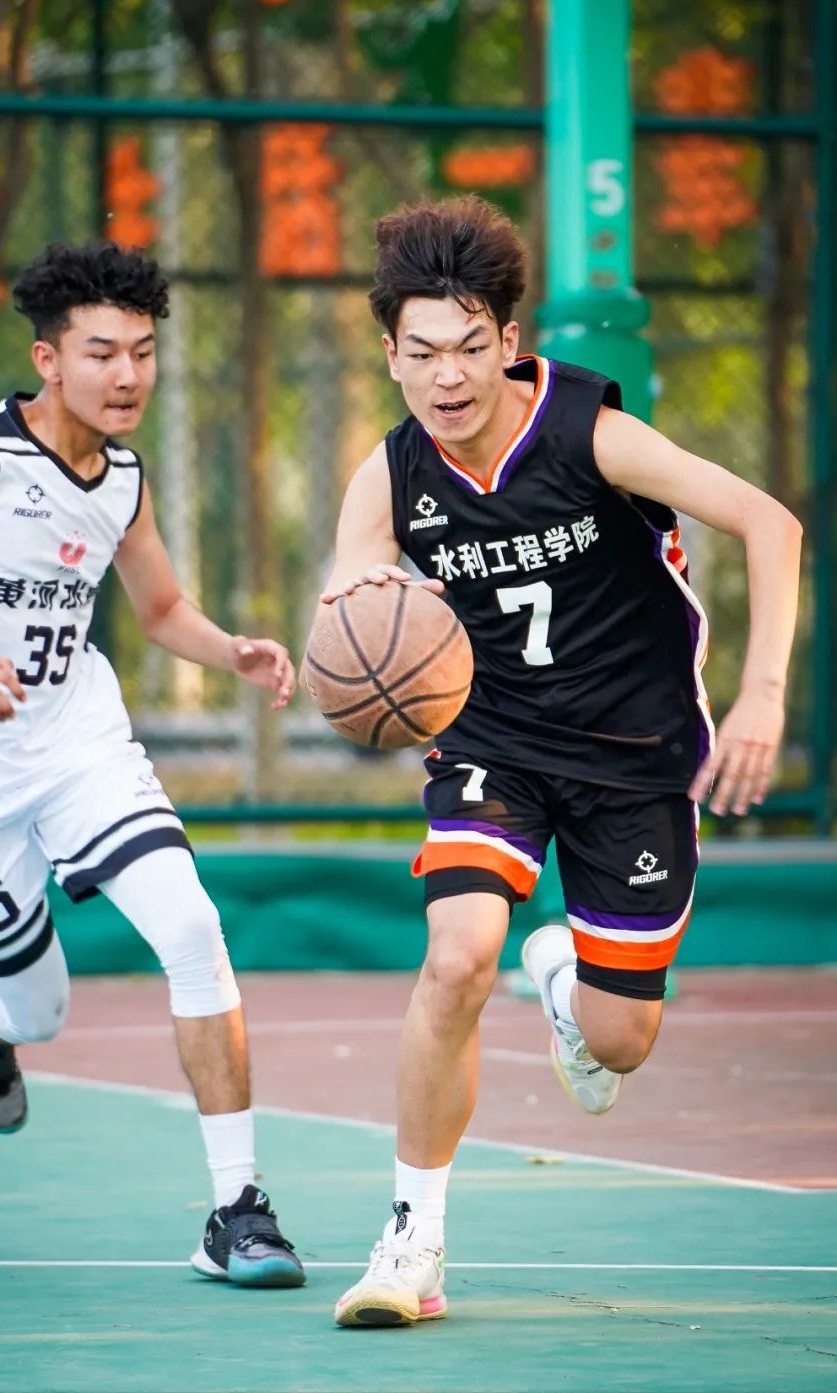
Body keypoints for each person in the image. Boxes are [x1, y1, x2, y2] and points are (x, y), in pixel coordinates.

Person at [319, 197, 801, 1326]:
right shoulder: (389, 476)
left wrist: (764, 695)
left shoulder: (589, 431)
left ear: (508, 341)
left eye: (469, 347)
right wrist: (355, 616)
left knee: (622, 1041)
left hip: (635, 750)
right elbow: (349, 598)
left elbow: (770, 523)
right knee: (455, 957)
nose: (448, 376)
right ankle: (412, 1240)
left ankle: (563, 983)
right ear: (390, 354)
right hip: (491, 738)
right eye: (422, 352)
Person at [0, 241, 306, 1289]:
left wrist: (233, 651)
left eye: (144, 352)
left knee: (192, 927)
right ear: (48, 359)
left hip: (73, 742)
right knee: (39, 1011)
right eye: (102, 353)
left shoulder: (122, 478)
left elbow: (160, 607)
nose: (128, 374)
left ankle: (237, 1211)